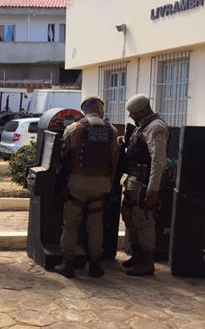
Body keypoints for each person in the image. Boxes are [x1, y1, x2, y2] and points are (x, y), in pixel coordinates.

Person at [54, 96, 118, 279]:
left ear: (84, 111)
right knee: (96, 225)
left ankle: (67, 264)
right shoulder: (112, 131)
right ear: (99, 109)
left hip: (77, 184)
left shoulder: (74, 128)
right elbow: (114, 158)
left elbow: (63, 155)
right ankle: (95, 265)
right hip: (100, 185)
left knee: (70, 224)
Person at [118, 94, 168, 276]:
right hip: (133, 180)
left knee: (144, 221)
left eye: (133, 112)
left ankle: (147, 262)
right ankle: (138, 255)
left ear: (142, 110)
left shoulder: (156, 128)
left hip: (143, 182)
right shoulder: (143, 126)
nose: (131, 116)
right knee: (129, 216)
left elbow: (158, 160)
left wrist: (152, 188)